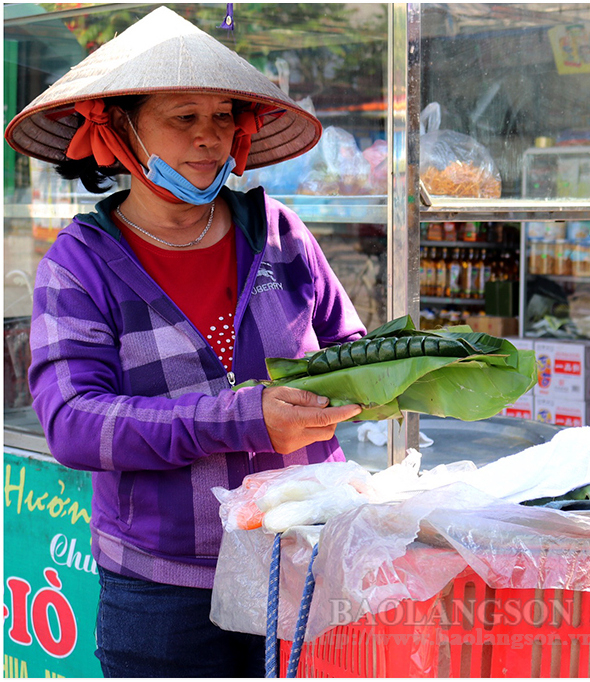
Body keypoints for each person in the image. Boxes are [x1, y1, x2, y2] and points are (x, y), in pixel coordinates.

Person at [5, 7, 365, 678]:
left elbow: (348, 343)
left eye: (222, 117)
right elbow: (75, 425)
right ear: (119, 133)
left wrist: (382, 381)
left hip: (302, 560)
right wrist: (246, 416)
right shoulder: (78, 266)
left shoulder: (280, 235)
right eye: (182, 119)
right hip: (162, 596)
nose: (208, 139)